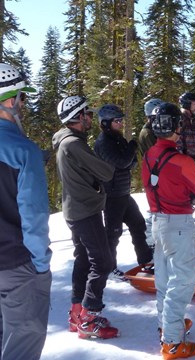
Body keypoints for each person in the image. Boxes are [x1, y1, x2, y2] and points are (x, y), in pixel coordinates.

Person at [141, 102, 195, 359]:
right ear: (175, 128)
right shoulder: (182, 161)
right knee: (182, 282)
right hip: (178, 224)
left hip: (157, 222)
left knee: (164, 280)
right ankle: (172, 341)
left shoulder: (148, 155)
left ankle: (167, 325)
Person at [52, 95, 119, 339]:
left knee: (83, 260)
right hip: (85, 211)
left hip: (77, 209)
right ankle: (89, 318)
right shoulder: (73, 144)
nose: (91, 117)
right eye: (88, 114)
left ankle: (77, 313)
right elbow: (106, 171)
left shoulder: (67, 141)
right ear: (79, 117)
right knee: (102, 262)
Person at [0, 63, 52, 360]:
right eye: (22, 98)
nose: (23, 105)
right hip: (17, 266)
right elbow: (33, 218)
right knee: (22, 345)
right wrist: (41, 266)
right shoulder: (23, 150)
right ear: (9, 100)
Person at [94, 104, 153, 275]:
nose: (121, 123)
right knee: (113, 233)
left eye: (121, 120)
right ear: (105, 123)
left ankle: (145, 259)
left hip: (123, 192)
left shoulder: (116, 139)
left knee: (138, 224)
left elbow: (131, 162)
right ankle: (109, 268)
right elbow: (122, 162)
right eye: (117, 121)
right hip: (111, 195)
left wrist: (129, 154)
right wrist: (132, 148)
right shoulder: (104, 142)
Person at [139, 98, 165, 245]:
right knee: (156, 207)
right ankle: (150, 240)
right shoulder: (148, 133)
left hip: (157, 174)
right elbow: (156, 155)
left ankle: (158, 237)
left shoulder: (154, 130)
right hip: (154, 175)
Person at [177, 92, 195, 170]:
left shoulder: (191, 118)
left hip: (194, 158)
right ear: (187, 104)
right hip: (186, 160)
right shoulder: (181, 118)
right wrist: (181, 159)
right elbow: (178, 139)